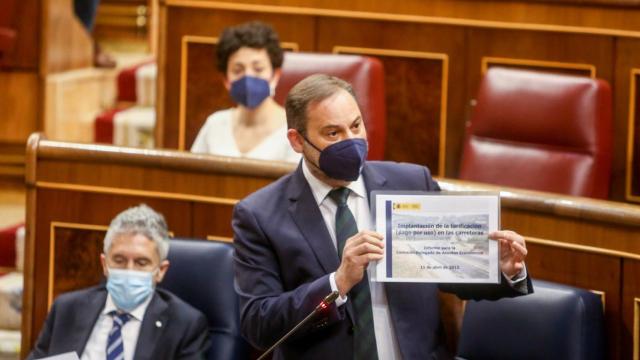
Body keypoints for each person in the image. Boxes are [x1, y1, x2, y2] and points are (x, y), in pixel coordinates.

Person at [232, 74, 533, 359]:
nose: (351, 141)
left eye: (356, 126)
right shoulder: (259, 215)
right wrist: (336, 283)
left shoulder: (413, 184)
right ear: (297, 141)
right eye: (333, 133)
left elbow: (457, 272)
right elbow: (259, 325)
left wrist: (502, 268)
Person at [28, 204, 209, 360]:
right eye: (119, 260)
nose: (129, 270)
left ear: (160, 271)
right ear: (104, 264)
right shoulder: (67, 309)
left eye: (141, 263)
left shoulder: (185, 325)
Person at [191, 21, 300, 163]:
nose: (248, 77)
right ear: (226, 80)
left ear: (275, 75)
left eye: (258, 69)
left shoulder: (293, 132)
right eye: (238, 70)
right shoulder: (215, 125)